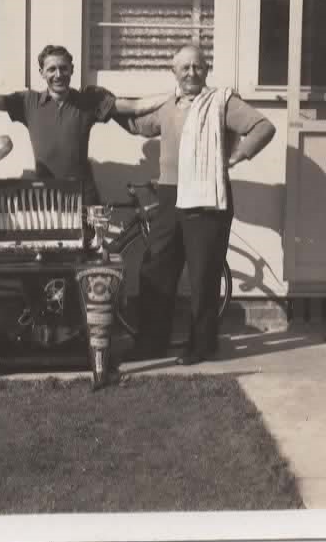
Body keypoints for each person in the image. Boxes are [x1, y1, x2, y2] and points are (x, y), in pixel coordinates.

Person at [116, 45, 276, 365]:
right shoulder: (166, 104)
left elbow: (263, 127)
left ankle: (202, 346)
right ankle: (151, 343)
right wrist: (106, 108)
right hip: (170, 194)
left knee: (203, 275)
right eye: (184, 68)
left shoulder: (221, 102)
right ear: (173, 72)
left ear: (206, 70)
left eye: (197, 67)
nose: (191, 73)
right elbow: (137, 125)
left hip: (206, 197)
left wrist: (233, 158)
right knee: (156, 270)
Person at [0, 44, 169, 205]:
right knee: (50, 261)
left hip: (84, 196)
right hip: (45, 195)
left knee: (86, 263)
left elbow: (136, 107)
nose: (58, 74)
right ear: (42, 73)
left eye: (63, 68)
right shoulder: (28, 102)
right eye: (52, 69)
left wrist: (177, 93)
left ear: (72, 70)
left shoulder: (88, 101)